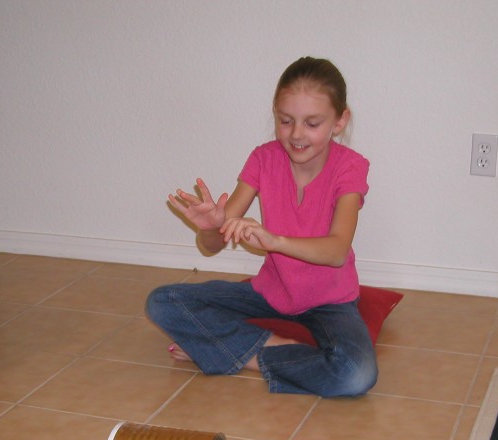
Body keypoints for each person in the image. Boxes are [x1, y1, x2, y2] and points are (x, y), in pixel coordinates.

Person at [145, 57, 378, 397]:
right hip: (270, 293)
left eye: (312, 123)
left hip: (331, 301)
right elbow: (212, 245)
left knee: (356, 375)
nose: (296, 134)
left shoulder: (350, 168)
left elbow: (337, 250)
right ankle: (270, 347)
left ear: (339, 121)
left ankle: (245, 353)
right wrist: (210, 227)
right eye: (286, 121)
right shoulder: (263, 158)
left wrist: (275, 241)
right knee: (162, 301)